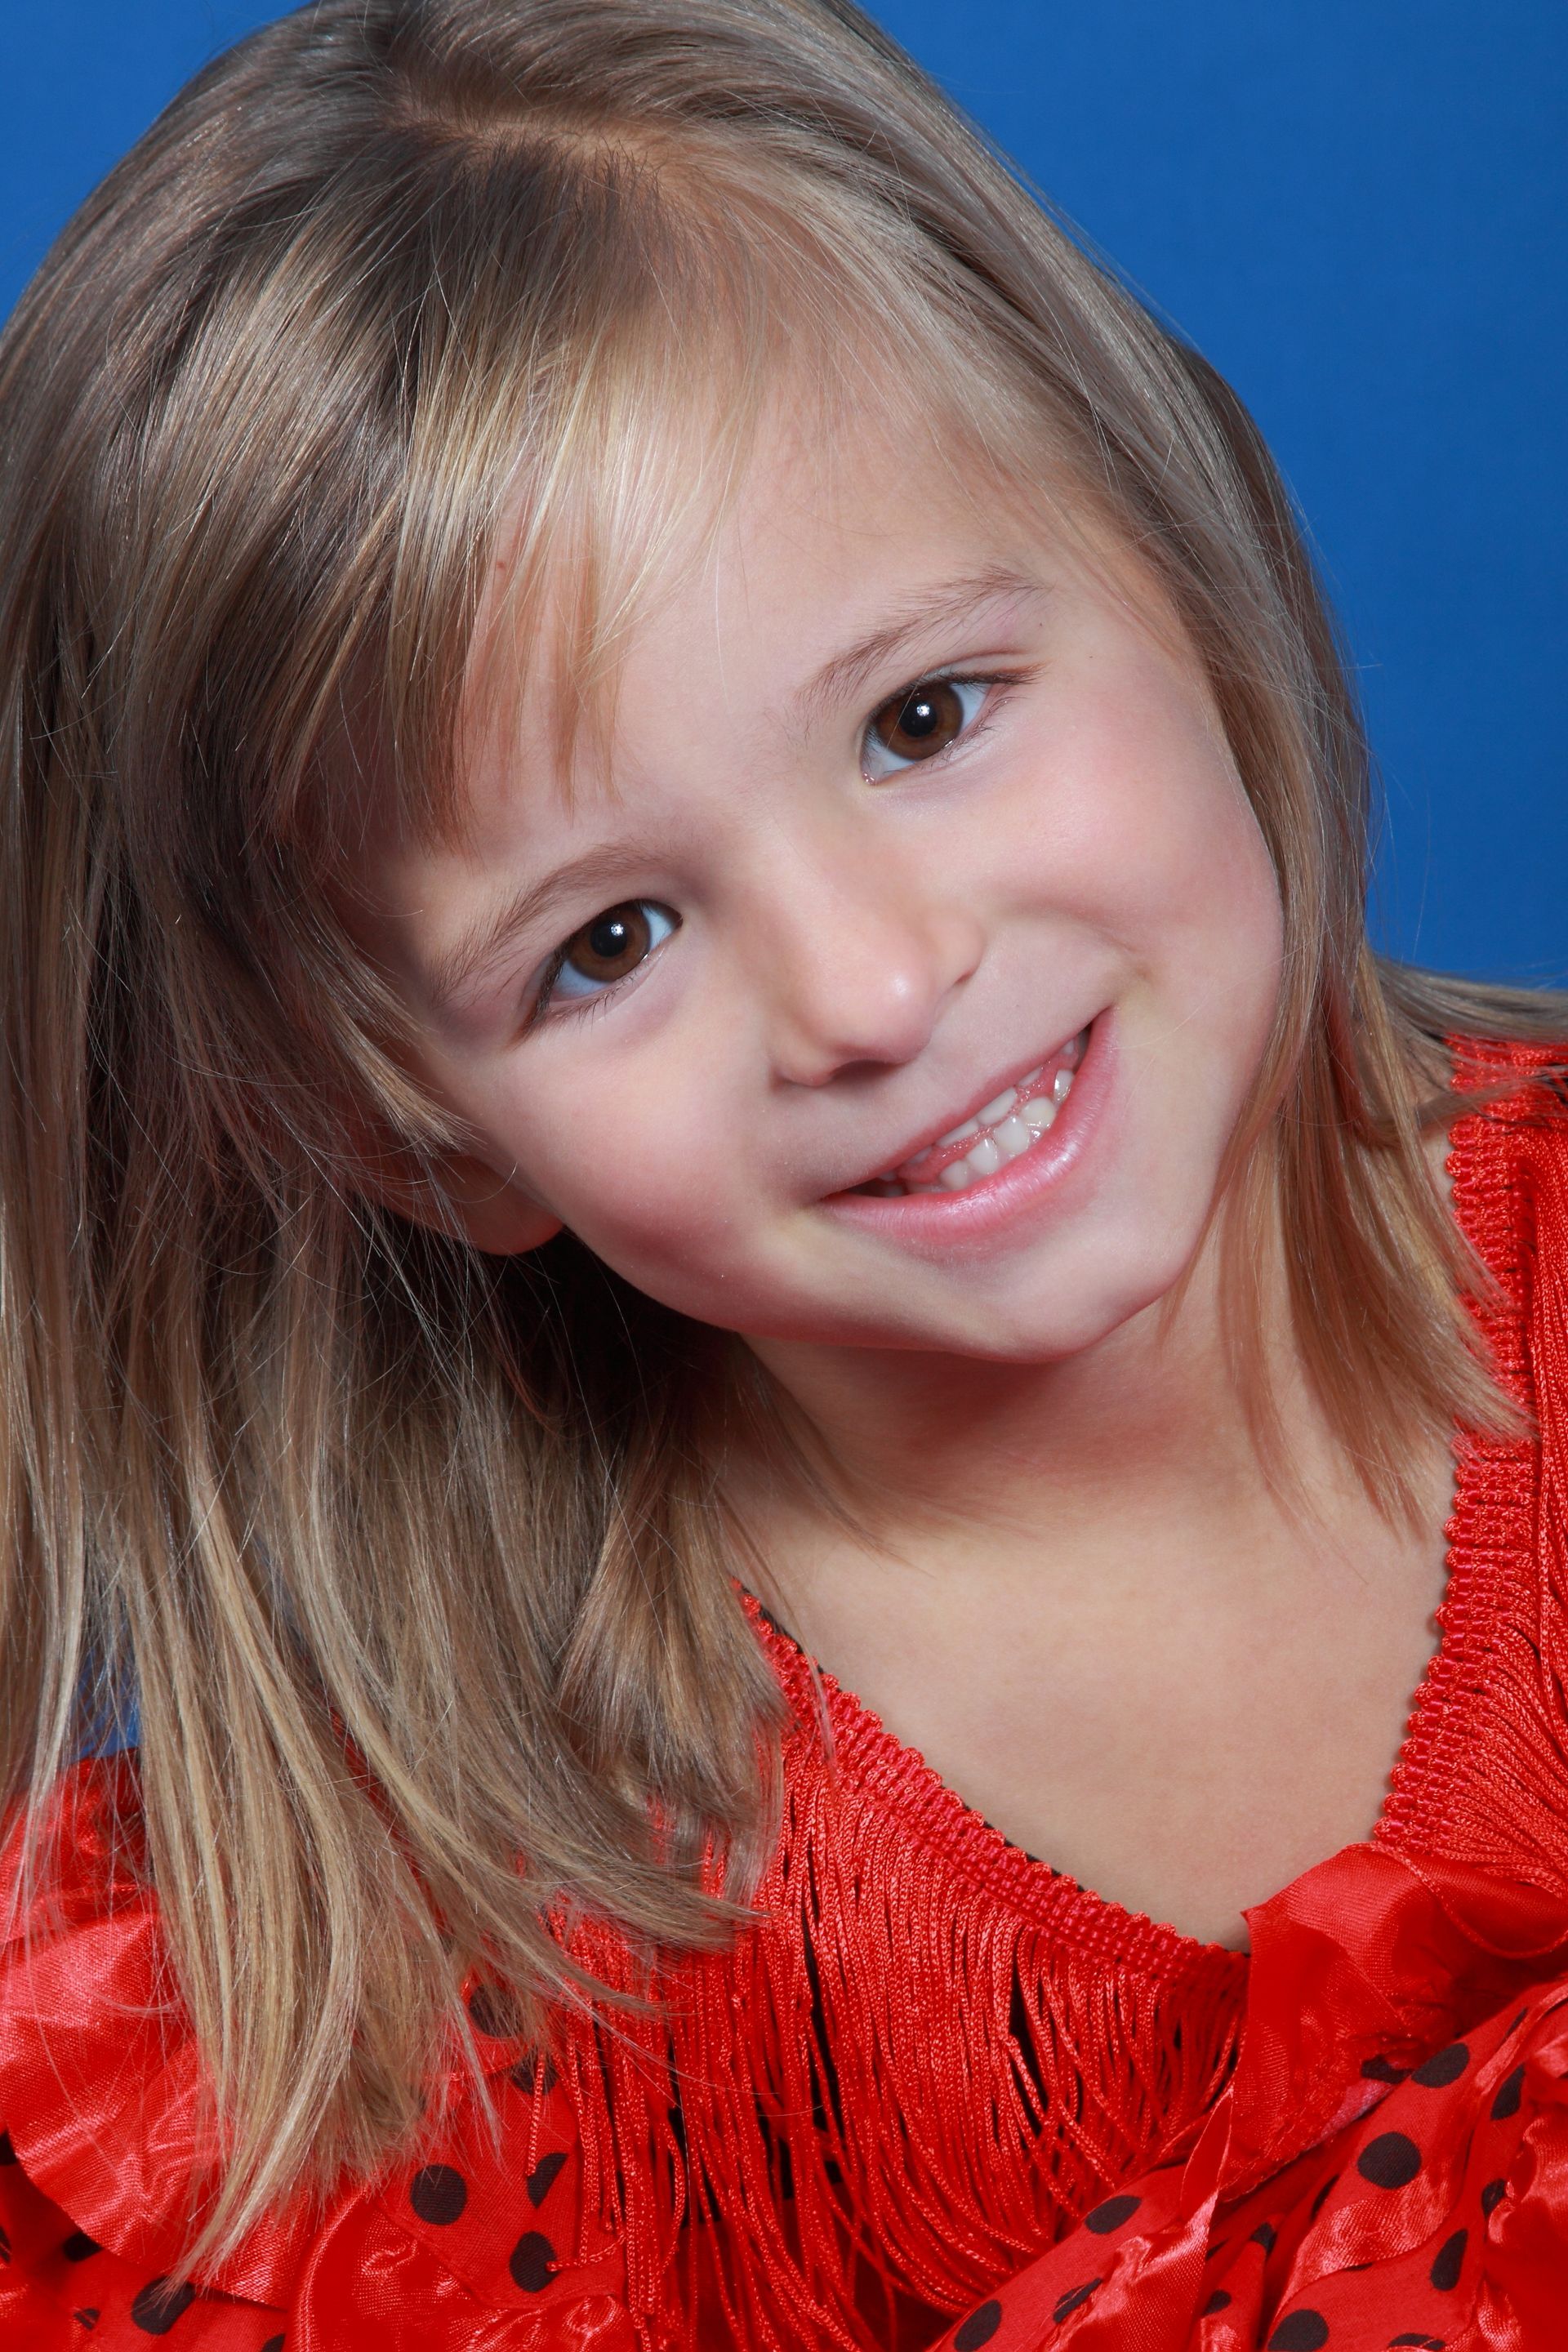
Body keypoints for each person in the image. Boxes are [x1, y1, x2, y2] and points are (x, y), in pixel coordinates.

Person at [0, 1, 1564, 2344]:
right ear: (415, 1140)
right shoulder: (462, 2005)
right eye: (605, 943)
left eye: (924, 718)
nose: (864, 991)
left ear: (1173, 549)